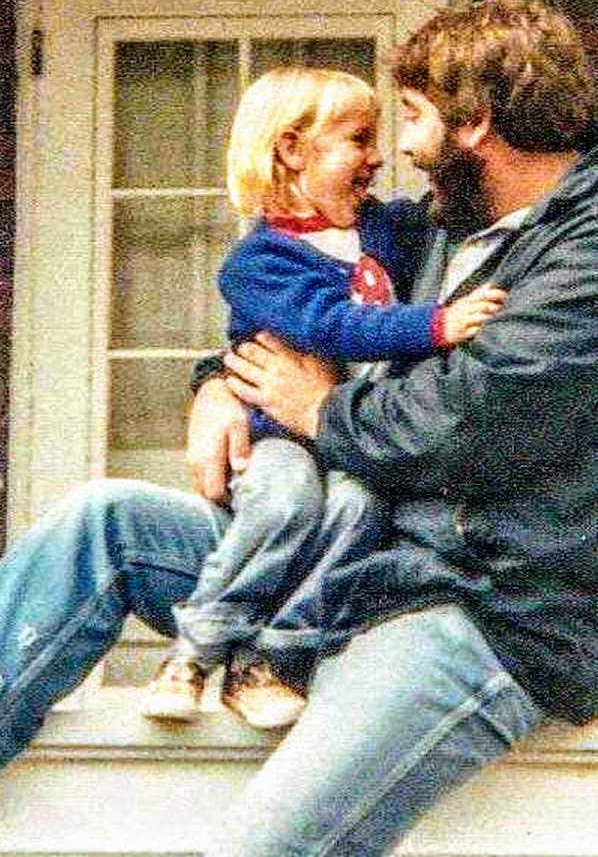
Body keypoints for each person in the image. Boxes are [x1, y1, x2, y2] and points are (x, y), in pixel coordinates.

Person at [0, 0, 598, 857]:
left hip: (482, 607)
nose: (400, 149)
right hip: (352, 561)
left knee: (259, 850)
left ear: (476, 126)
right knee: (105, 527)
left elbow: (460, 425)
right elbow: (315, 312)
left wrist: (308, 407)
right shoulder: (443, 227)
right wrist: (223, 386)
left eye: (414, 118)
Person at [142, 65, 506, 728]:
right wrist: (436, 325)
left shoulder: (375, 229)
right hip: (278, 432)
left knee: (359, 505)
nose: (376, 158)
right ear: (291, 149)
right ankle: (195, 650)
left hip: (345, 433)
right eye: (359, 140)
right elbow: (331, 327)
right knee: (285, 502)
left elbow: (437, 211)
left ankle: (273, 657)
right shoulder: (260, 262)